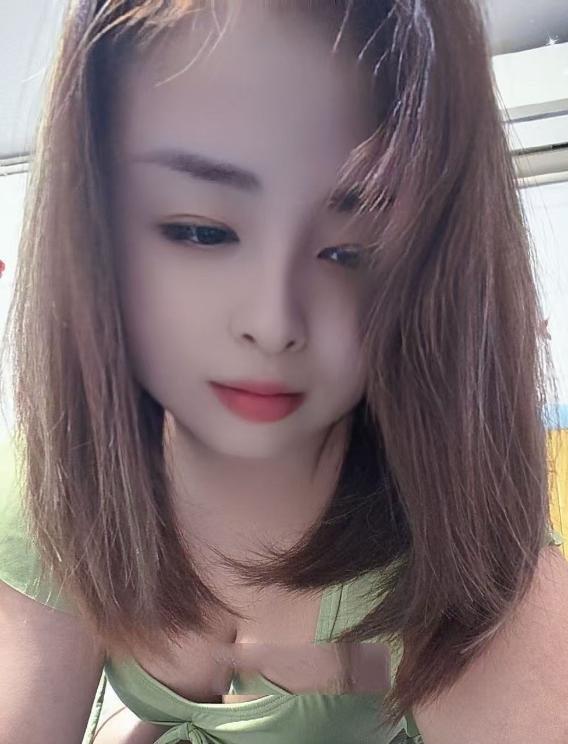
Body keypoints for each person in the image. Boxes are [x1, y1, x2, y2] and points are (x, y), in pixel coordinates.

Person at [0, 1, 566, 743]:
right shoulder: (59, 484)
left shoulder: (452, 531)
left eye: (352, 251)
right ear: (92, 233)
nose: (273, 323)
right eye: (200, 231)